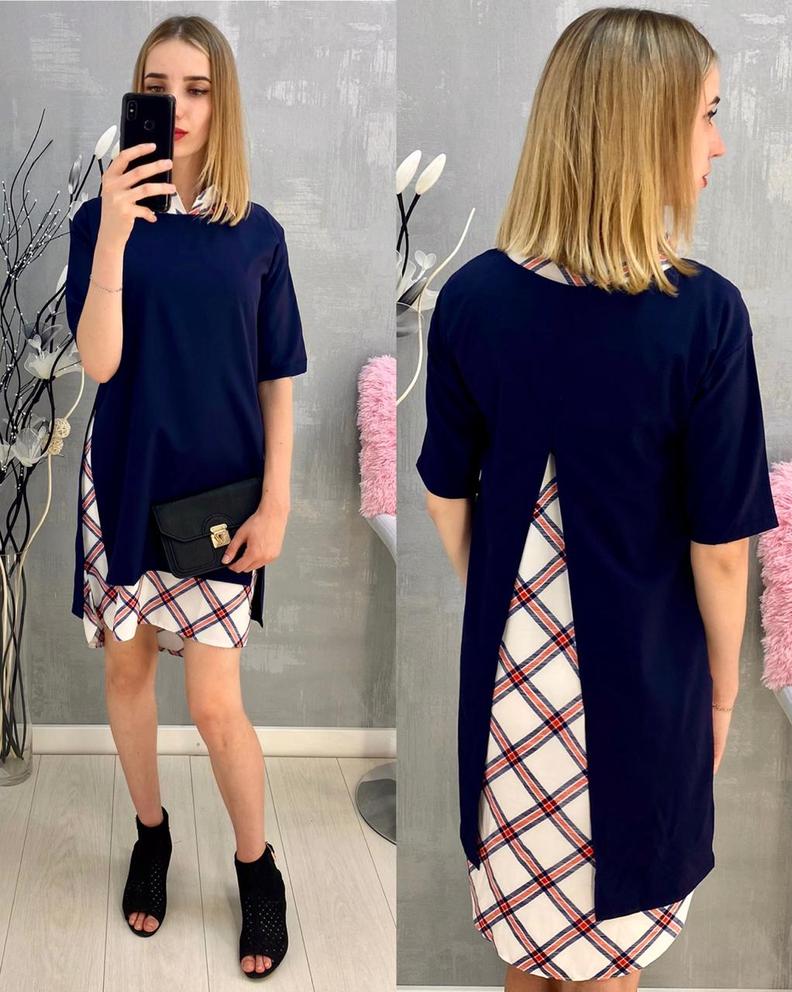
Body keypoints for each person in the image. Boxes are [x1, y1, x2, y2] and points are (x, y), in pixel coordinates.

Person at [415, 7, 778, 990]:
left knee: (529, 960)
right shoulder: (704, 316)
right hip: (639, 705)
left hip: (511, 701)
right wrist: (721, 691)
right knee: (609, 969)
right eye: (707, 114)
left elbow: (447, 497)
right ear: (647, 126)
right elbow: (721, 550)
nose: (718, 143)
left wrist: (517, 604)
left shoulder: (473, 299)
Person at [64, 15, 306, 980]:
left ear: (221, 100)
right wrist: (115, 234)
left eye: (197, 88)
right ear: (138, 100)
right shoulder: (102, 222)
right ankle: (152, 834)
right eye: (158, 88)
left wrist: (277, 502)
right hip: (125, 483)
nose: (177, 106)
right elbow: (99, 362)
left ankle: (257, 867)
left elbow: (277, 378)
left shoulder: (259, 235)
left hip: (221, 503)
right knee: (127, 677)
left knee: (213, 705)